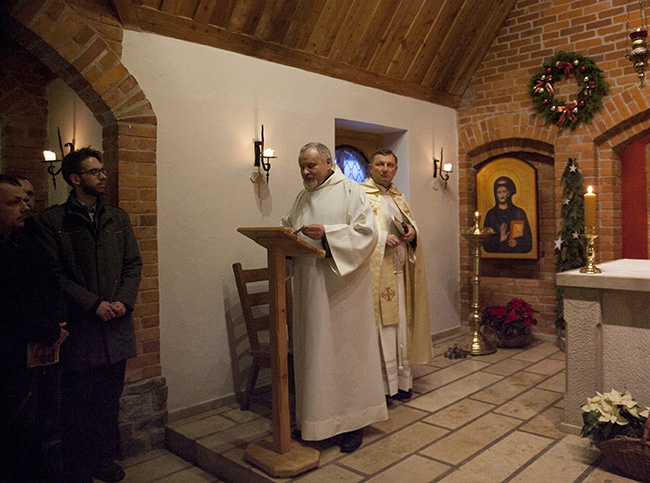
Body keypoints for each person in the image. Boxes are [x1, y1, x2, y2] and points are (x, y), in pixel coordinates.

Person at [38, 148, 142, 483]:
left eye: (102, 170)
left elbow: (133, 264)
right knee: (76, 404)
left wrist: (123, 301)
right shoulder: (54, 221)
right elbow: (54, 276)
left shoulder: (117, 217)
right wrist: (93, 303)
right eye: (94, 171)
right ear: (75, 178)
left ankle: (102, 459)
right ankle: (77, 468)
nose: (102, 176)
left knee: (108, 401)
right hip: (83, 327)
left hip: (116, 327)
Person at [282, 142, 387, 453]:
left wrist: (328, 234)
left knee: (344, 355)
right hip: (308, 287)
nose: (305, 171)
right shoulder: (303, 196)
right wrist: (287, 235)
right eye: (302, 165)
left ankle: (351, 424)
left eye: (311, 165)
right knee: (314, 354)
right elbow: (291, 227)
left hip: (342, 291)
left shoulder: (350, 191)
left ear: (328, 162)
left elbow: (368, 234)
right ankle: (315, 422)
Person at [0, 175, 68, 482]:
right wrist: (47, 329)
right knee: (12, 424)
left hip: (41, 343)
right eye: (13, 202)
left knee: (38, 419)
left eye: (25, 200)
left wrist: (57, 321)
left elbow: (50, 279)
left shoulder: (30, 237)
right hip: (10, 351)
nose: (24, 207)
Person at [360, 149, 432, 401]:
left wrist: (412, 232)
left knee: (401, 327)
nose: (385, 169)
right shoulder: (360, 195)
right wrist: (381, 238)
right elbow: (355, 233)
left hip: (400, 275)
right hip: (376, 278)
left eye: (390, 165)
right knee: (383, 330)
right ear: (370, 167)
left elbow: (410, 226)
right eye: (379, 164)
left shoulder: (398, 197)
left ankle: (402, 382)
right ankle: (381, 387)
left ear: (396, 169)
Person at [482, 176, 533, 253]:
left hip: (516, 257)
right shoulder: (491, 215)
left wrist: (517, 242)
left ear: (508, 193)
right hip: (496, 257)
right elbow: (486, 243)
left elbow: (528, 240)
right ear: (496, 194)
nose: (502, 195)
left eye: (504, 192)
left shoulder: (518, 213)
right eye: (499, 192)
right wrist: (500, 239)